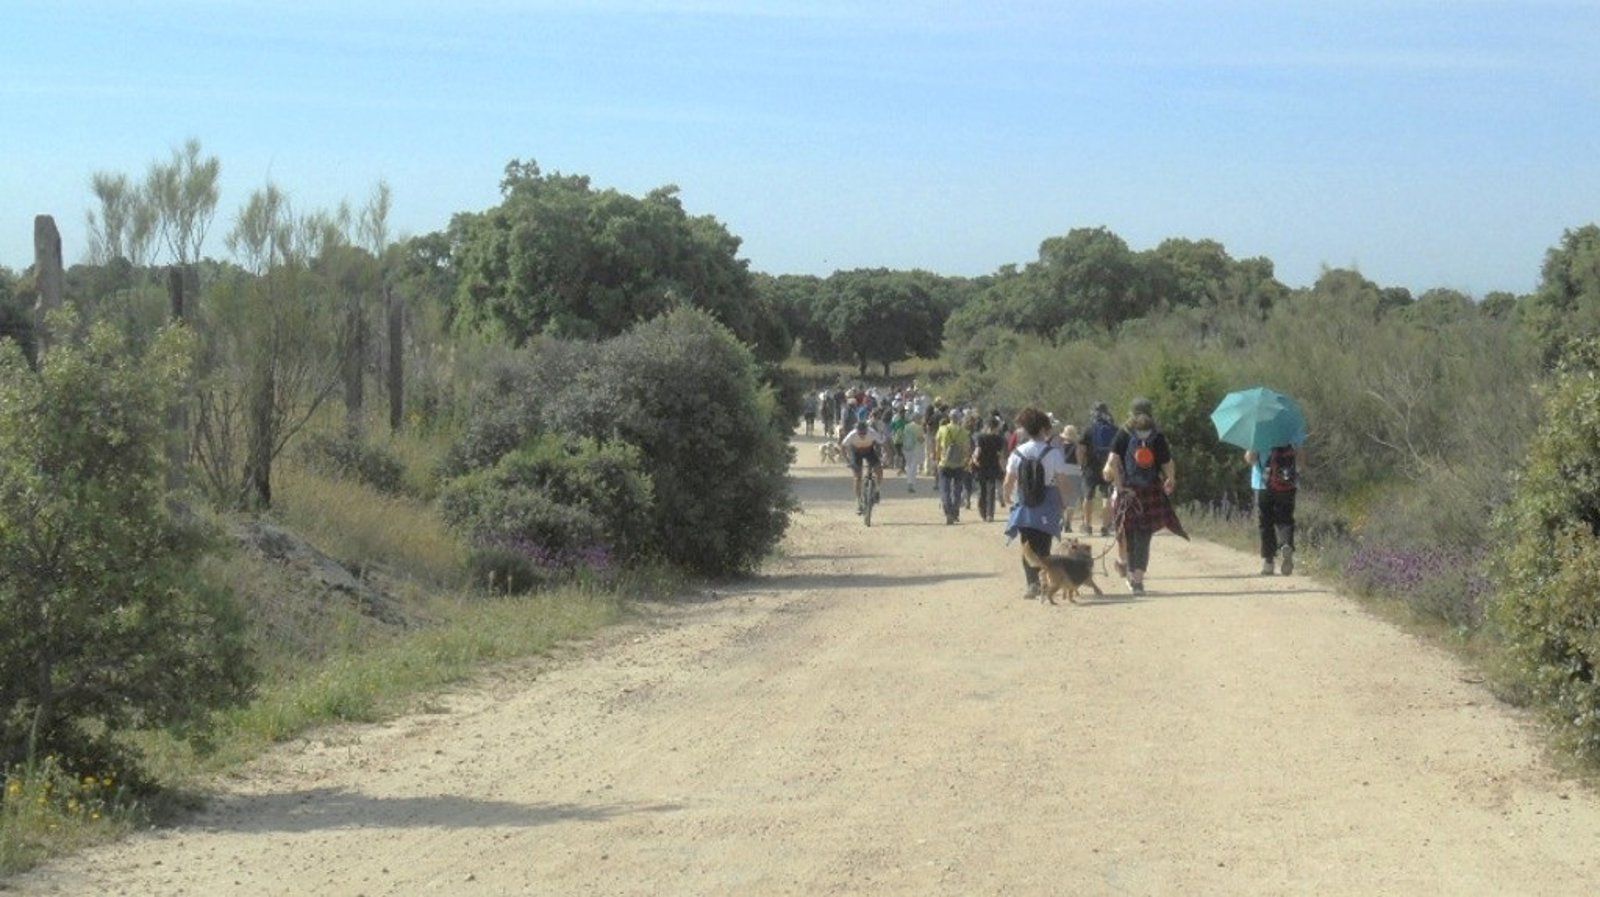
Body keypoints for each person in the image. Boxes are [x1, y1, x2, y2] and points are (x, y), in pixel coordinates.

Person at [1103, 398, 1189, 594]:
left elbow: (1112, 462)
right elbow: (1167, 462)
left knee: (1129, 534)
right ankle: (1138, 579)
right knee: (1144, 535)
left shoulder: (1124, 434)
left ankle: (1132, 574)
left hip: (1128, 492)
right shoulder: (1157, 436)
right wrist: (1171, 479)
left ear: (1131, 413)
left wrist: (1118, 484)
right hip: (1150, 491)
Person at [1003, 407, 1076, 599]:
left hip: (1025, 502)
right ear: (1045, 429)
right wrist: (1066, 501)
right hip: (1048, 503)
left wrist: (1006, 496)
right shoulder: (1053, 454)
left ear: (1025, 429)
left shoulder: (1017, 453)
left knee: (1027, 546)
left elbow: (1008, 481)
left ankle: (1032, 584)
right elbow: (1062, 481)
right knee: (1044, 547)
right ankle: (1044, 582)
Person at [1246, 443, 1300, 575]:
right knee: (1286, 518)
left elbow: (1251, 458)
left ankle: (1269, 562)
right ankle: (1286, 543)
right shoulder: (1292, 428)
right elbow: (1302, 457)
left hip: (1262, 483)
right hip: (1286, 484)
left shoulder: (1258, 429)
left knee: (1265, 522)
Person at [1080, 401, 1118, 536]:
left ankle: (1087, 526)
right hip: (1108, 467)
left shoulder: (1088, 429)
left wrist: (1081, 464)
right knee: (1106, 496)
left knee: (1088, 496)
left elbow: (1082, 449)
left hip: (1090, 467)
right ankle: (1105, 527)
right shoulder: (1114, 429)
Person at [840, 420, 884, 513]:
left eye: (864, 433)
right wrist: (847, 460)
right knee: (857, 477)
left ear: (867, 430)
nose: (862, 435)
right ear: (857, 431)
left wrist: (885, 456)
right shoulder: (852, 434)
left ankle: (877, 490)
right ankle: (859, 502)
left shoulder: (872, 432)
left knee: (879, 470)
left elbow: (881, 442)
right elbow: (843, 446)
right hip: (856, 452)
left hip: (869, 451)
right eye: (860, 433)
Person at [972, 416, 1007, 522]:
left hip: (981, 467)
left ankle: (983, 511)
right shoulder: (999, 439)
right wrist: (1003, 468)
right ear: (996, 427)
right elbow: (1000, 456)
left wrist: (974, 459)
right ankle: (990, 514)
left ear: (987, 426)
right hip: (993, 467)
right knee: (991, 490)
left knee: (982, 490)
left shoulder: (981, 437)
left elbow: (977, 451)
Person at [935, 413, 968, 524]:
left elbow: (938, 446)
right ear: (958, 418)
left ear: (949, 418)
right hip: (958, 464)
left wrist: (937, 458)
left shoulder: (942, 429)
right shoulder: (963, 431)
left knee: (945, 489)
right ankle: (955, 512)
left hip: (944, 463)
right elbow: (965, 449)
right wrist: (965, 461)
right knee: (957, 490)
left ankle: (948, 511)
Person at [1058, 424, 1085, 534]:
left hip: (1062, 472)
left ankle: (1060, 521)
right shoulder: (1077, 446)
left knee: (1061, 497)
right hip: (1074, 472)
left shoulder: (1059, 446)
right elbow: (1079, 461)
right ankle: (1068, 523)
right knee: (1072, 499)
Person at [900, 407, 925, 492]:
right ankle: (911, 484)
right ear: (917, 419)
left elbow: (903, 436)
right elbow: (920, 439)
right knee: (913, 467)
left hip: (906, 447)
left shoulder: (907, 426)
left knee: (908, 465)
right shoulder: (919, 427)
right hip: (915, 448)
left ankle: (909, 481)